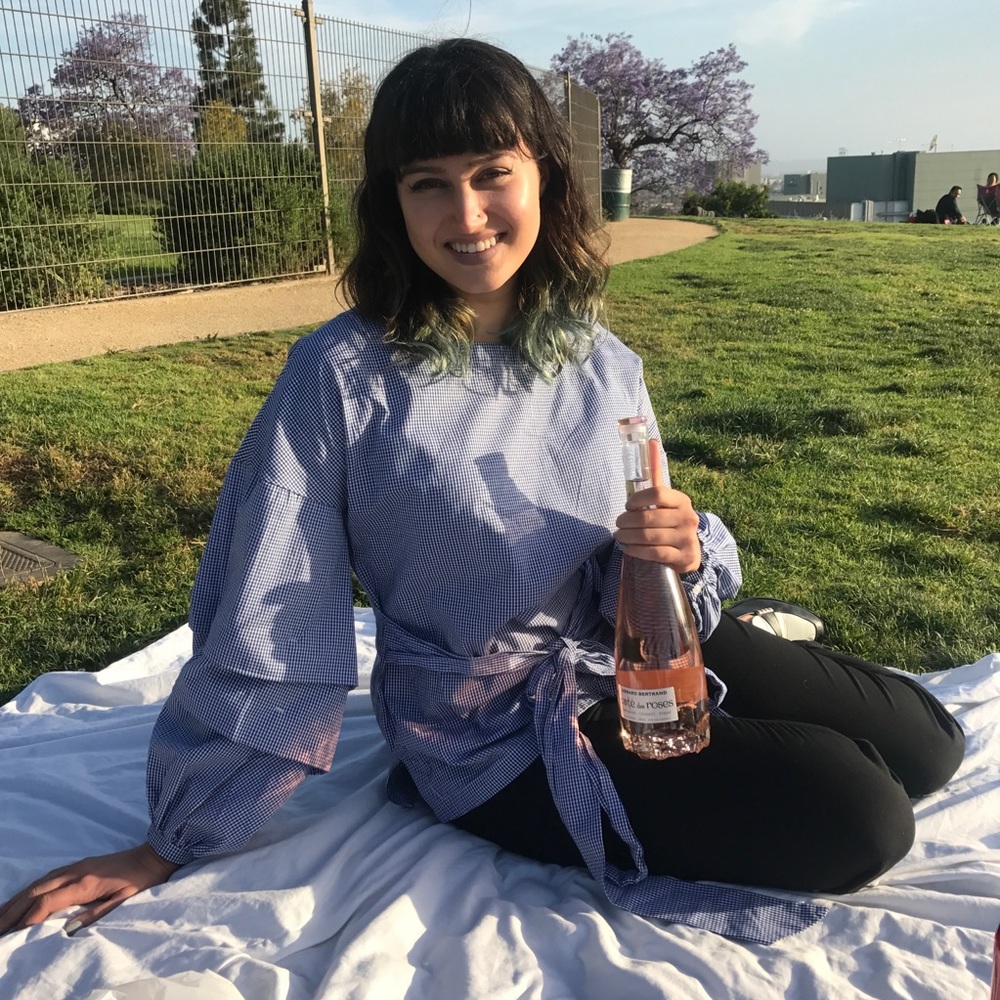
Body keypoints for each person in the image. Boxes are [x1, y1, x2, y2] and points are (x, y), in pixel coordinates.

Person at [0, 39, 965, 946]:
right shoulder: (342, 378)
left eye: (492, 173)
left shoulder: (601, 359)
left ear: (543, 175)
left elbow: (641, 533)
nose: (466, 217)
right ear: (393, 203)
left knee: (930, 747)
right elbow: (271, 608)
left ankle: (747, 656)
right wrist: (170, 841)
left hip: (632, 641)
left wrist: (679, 546)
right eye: (429, 184)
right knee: (862, 815)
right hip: (495, 729)